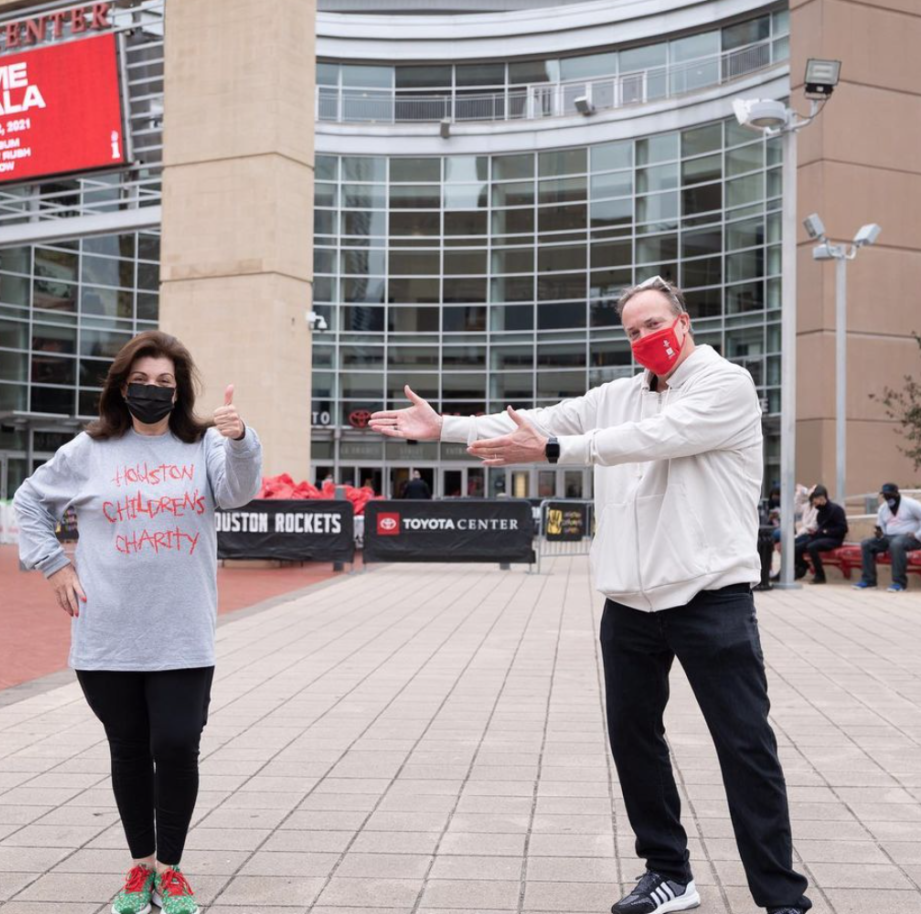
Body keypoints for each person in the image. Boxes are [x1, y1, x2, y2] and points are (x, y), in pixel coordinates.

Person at [370, 275, 810, 914]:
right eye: (633, 331)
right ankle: (669, 873)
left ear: (682, 322)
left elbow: (656, 438)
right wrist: (445, 429)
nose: (645, 339)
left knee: (744, 745)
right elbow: (538, 421)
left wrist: (553, 449)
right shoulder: (617, 396)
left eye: (654, 325)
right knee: (633, 739)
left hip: (711, 598)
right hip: (630, 603)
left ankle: (781, 898)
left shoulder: (726, 386)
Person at [14, 331, 262, 914]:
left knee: (176, 744)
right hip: (108, 635)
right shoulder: (89, 449)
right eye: (142, 383)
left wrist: (241, 439)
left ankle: (171, 870)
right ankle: (141, 865)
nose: (153, 392)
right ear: (123, 387)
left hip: (182, 633)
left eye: (165, 384)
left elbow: (238, 492)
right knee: (127, 749)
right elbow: (29, 500)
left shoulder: (202, 444)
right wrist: (53, 565)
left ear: (180, 392)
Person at [854, 482, 921, 592]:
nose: (887, 497)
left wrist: (917, 534)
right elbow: (881, 526)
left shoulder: (911, 504)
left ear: (896, 493)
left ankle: (899, 583)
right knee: (866, 544)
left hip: (911, 538)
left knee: (896, 544)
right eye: (885, 495)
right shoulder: (883, 508)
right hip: (889, 537)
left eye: (889, 494)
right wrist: (880, 534)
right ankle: (869, 580)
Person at [793, 485, 847, 585]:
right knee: (797, 548)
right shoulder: (820, 511)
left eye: (815, 501)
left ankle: (820, 575)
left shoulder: (836, 510)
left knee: (811, 547)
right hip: (820, 537)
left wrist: (825, 531)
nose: (814, 504)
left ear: (822, 499)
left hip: (834, 539)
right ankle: (802, 566)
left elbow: (843, 529)